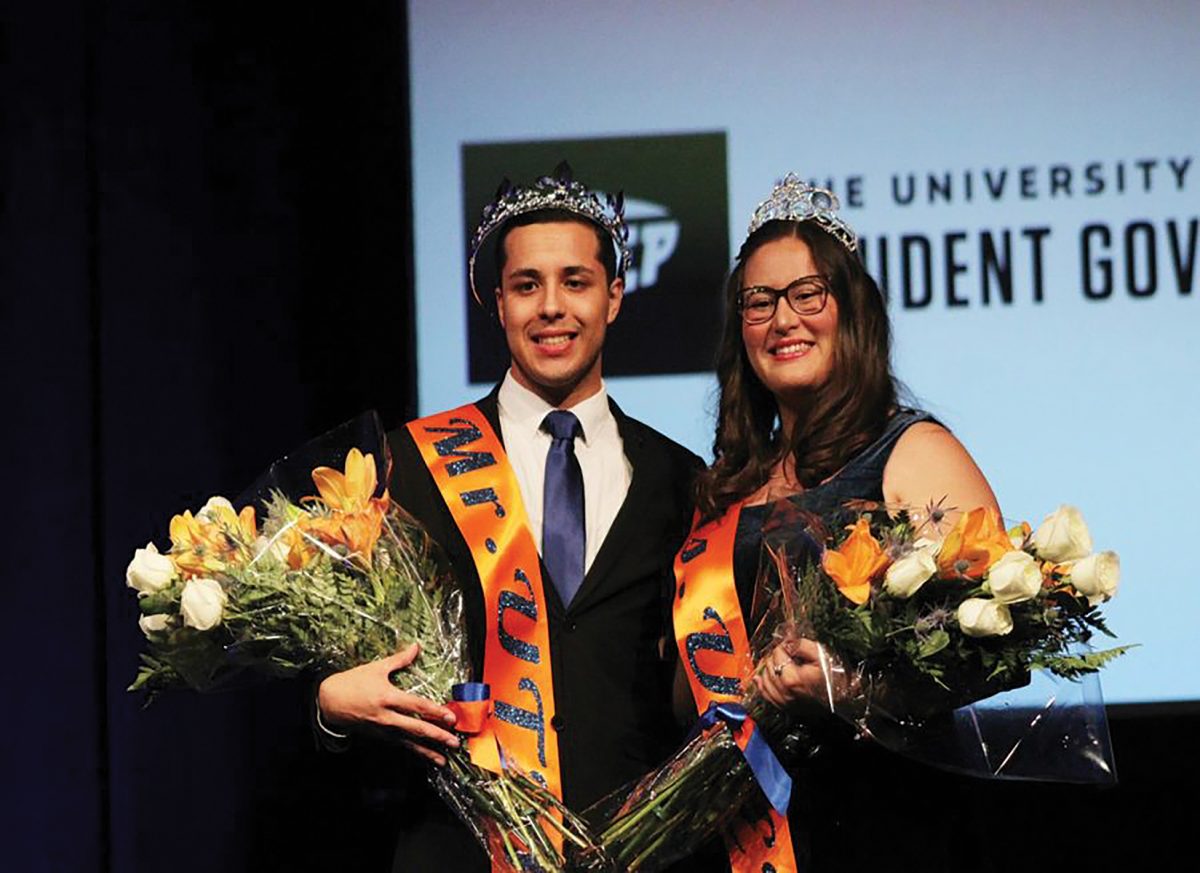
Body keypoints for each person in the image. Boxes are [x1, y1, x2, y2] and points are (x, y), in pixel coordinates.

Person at [316, 163, 703, 871]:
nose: (551, 307)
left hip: (633, 853)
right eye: (527, 285)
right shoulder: (409, 464)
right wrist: (329, 709)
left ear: (614, 296)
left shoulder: (683, 479)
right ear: (497, 302)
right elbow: (353, 685)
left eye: (576, 282)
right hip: (459, 849)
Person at [673, 174, 1000, 872]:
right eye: (758, 302)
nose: (782, 319)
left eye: (806, 294)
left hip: (880, 823)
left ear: (851, 311)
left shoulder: (913, 451)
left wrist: (848, 685)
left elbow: (988, 651)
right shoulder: (724, 489)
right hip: (737, 832)